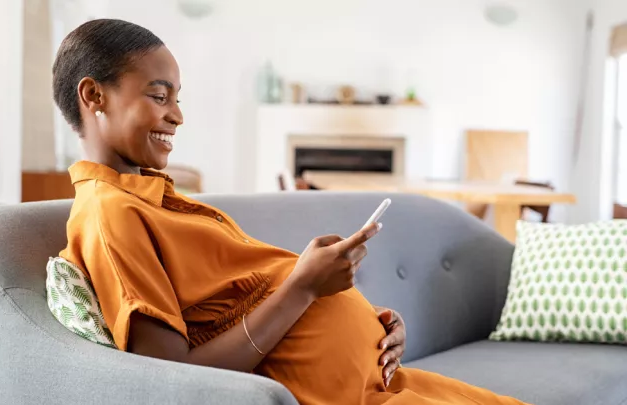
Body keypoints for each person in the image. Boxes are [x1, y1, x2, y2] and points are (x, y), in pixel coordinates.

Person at [54, 19, 527, 405]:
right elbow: (169, 378)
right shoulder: (109, 213)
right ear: (94, 96)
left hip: (381, 382)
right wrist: (304, 288)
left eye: (178, 98)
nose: (177, 115)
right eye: (160, 96)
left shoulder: (151, 198)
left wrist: (373, 324)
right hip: (334, 396)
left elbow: (241, 301)